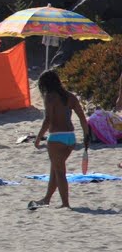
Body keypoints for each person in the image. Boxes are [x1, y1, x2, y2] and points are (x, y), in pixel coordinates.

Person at [31, 69, 88, 210]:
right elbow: (82, 117)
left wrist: (38, 138)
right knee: (55, 169)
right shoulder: (70, 96)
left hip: (56, 138)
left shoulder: (50, 97)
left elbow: (48, 120)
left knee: (60, 172)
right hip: (70, 138)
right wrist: (86, 136)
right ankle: (47, 199)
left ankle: (65, 203)